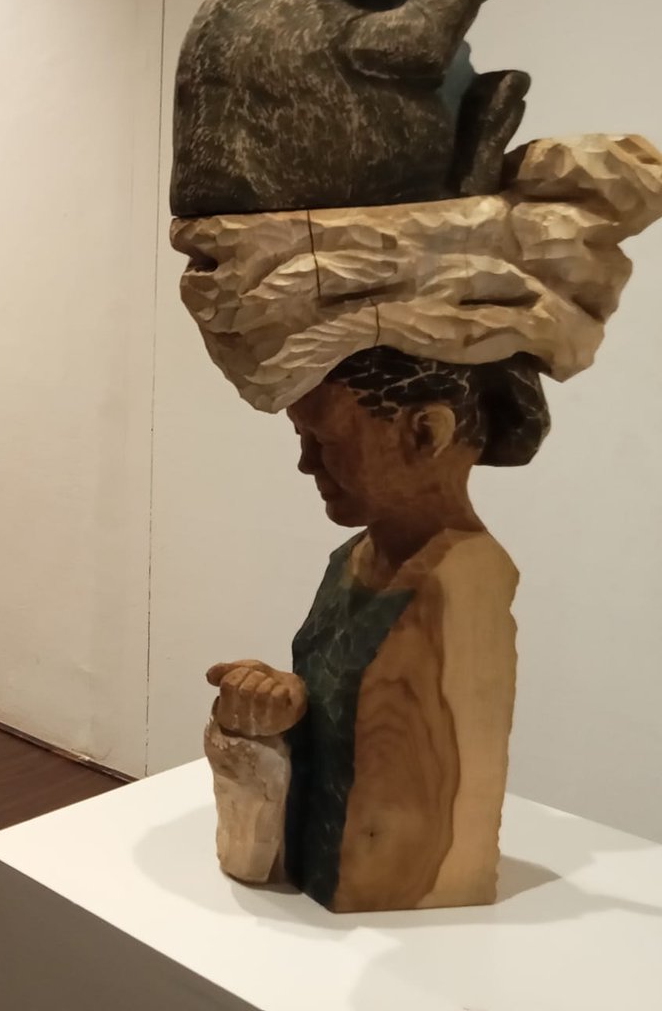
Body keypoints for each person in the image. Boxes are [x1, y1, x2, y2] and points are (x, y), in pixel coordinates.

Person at [206, 346, 548, 910]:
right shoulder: (351, 559)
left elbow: (404, 782)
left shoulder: (462, 586)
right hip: (326, 886)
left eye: (326, 439)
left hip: (394, 894)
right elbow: (344, 722)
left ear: (426, 434)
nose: (306, 463)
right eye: (302, 438)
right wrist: (276, 711)